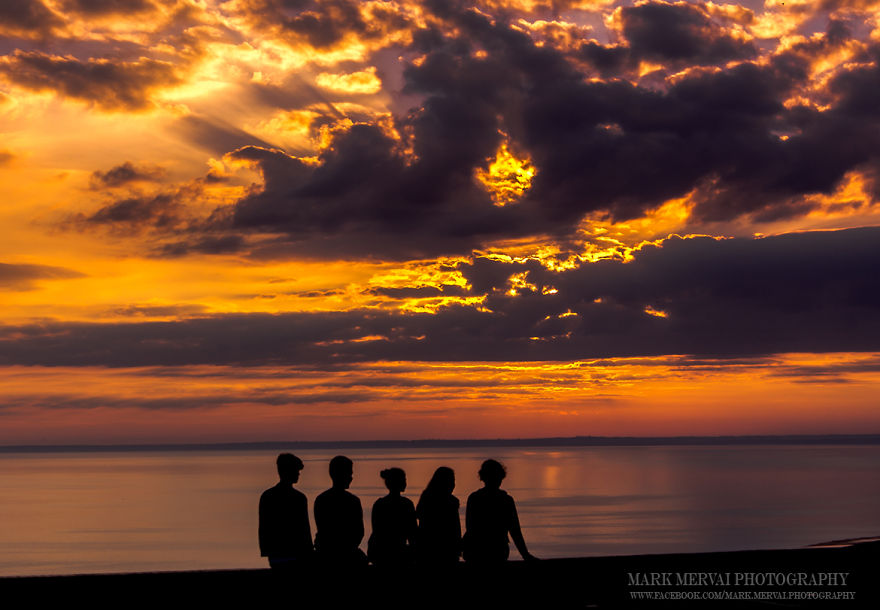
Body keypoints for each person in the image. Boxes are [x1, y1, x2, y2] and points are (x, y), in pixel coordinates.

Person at [463, 459, 537, 564]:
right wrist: (525, 555)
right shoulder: (506, 500)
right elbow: (515, 531)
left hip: (477, 551)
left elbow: (470, 528)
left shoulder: (474, 498)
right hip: (496, 551)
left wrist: (526, 555)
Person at [258, 453, 313, 569]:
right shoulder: (299, 498)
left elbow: (264, 528)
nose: (298, 473)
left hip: (275, 555)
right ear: (288, 471)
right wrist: (309, 551)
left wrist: (267, 551)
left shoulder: (267, 496)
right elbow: (304, 529)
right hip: (295, 554)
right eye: (296, 470)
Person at [313, 455, 366, 565]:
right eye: (350, 474)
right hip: (345, 555)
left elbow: (323, 530)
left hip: (326, 554)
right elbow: (359, 532)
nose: (351, 477)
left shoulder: (321, 499)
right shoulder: (353, 501)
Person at [367, 467, 417, 567]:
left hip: (379, 552)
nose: (406, 483)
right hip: (397, 553)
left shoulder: (379, 504)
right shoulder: (407, 504)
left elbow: (377, 531)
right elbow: (413, 534)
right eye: (404, 480)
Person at [416, 466, 461, 566]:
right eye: (452, 480)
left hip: (428, 548)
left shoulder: (426, 497)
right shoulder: (451, 502)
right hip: (444, 549)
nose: (454, 484)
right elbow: (455, 528)